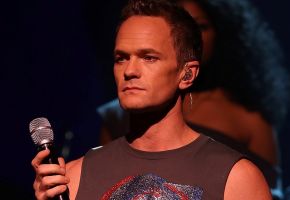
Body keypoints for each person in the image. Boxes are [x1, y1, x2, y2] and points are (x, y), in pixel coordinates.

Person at [31, 0, 272, 199]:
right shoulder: (74, 176)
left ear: (187, 74)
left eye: (149, 58)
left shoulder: (236, 178)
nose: (130, 71)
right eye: (121, 58)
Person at [96, 0, 290, 198]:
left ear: (222, 33)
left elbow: (270, 191)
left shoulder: (249, 119)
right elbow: (103, 181)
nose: (191, 36)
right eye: (121, 58)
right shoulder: (117, 115)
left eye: (200, 27)